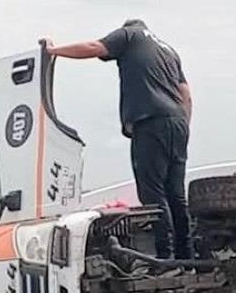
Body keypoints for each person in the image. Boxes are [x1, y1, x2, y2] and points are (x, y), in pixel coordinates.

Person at [44, 20, 193, 259]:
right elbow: (186, 94)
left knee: (153, 194)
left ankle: (167, 259)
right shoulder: (169, 50)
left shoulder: (130, 35)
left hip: (151, 122)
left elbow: (94, 47)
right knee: (176, 193)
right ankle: (188, 257)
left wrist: (54, 51)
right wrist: (183, 127)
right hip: (177, 123)